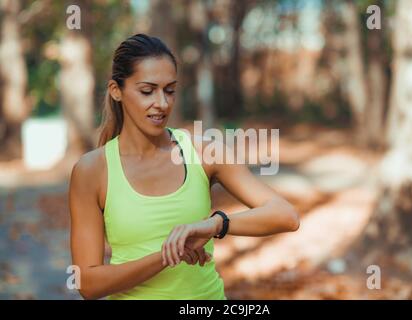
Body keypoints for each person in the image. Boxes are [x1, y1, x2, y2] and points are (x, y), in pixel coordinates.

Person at [69, 34, 300, 300]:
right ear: (116, 91)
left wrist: (215, 225)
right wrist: (168, 255)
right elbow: (87, 282)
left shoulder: (203, 152)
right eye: (147, 91)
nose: (162, 103)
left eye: (169, 90)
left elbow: (286, 215)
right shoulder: (92, 170)